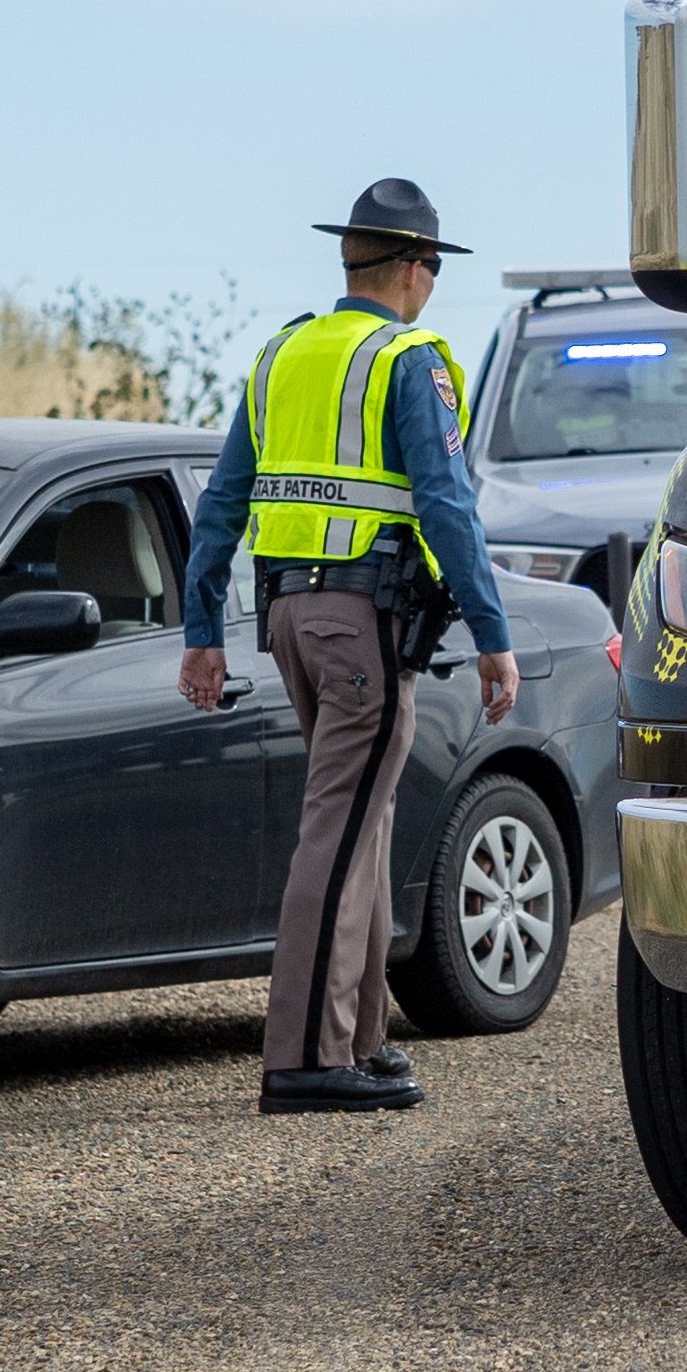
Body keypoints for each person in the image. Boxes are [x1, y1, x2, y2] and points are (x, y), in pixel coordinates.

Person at [179, 177, 523, 1114]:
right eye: (432, 269)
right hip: (363, 623)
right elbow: (447, 504)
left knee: (362, 829)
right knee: (335, 836)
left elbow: (220, 504)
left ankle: (360, 1041)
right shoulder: (410, 360)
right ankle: (302, 1057)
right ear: (415, 270)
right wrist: (494, 635)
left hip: (287, 619)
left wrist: (203, 632)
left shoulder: (283, 352)